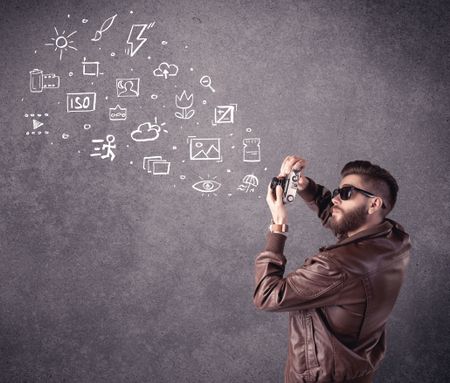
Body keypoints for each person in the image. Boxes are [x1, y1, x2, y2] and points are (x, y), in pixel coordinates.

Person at [253, 156, 411, 383]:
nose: (336, 198)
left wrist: (278, 225)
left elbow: (267, 296)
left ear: (374, 204)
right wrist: (306, 187)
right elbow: (344, 221)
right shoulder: (393, 239)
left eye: (346, 193)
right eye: (338, 191)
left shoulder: (337, 266)